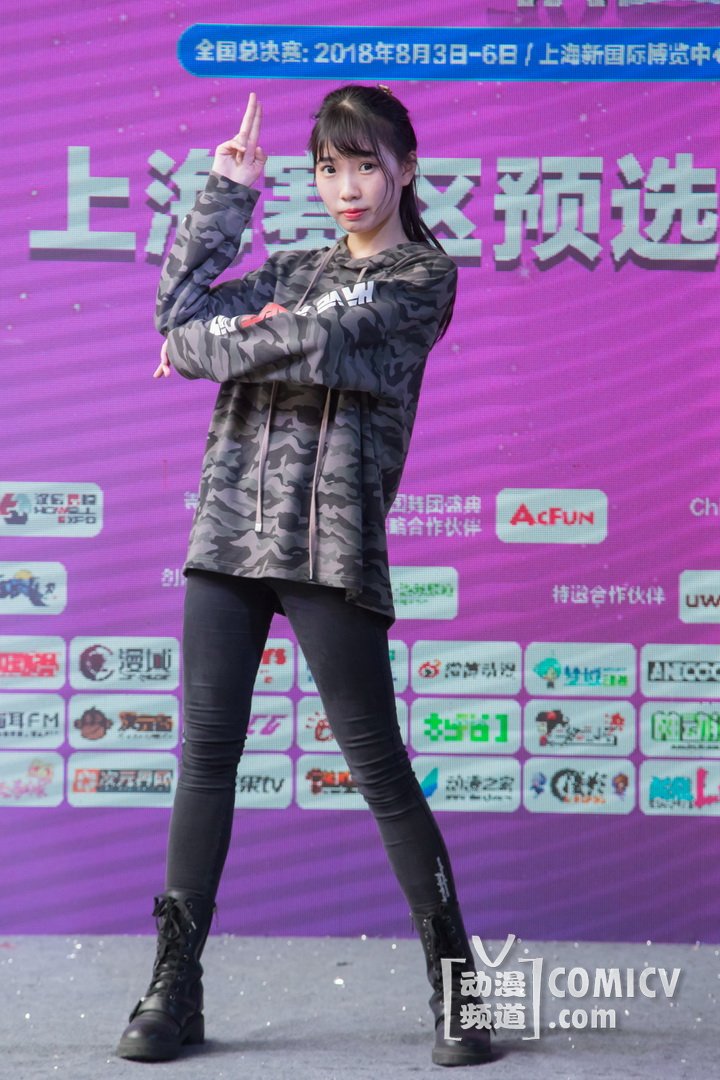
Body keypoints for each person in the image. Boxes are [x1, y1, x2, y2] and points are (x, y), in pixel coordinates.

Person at [116, 85, 492, 1068]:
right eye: (329, 168)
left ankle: (458, 984)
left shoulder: (421, 277)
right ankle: (174, 987)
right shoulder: (289, 266)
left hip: (330, 541)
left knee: (378, 767)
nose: (348, 186)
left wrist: (220, 346)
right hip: (228, 531)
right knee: (206, 755)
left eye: (366, 164)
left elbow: (319, 343)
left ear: (407, 167)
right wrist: (226, 195)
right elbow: (174, 315)